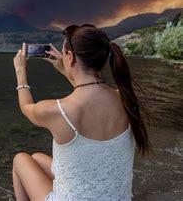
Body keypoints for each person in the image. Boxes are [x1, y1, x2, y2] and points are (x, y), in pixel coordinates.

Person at [12, 24, 149, 201]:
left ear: (69, 57)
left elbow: (26, 107)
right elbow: (90, 95)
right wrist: (67, 70)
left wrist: (20, 71)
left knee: (20, 159)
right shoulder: (126, 99)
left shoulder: (59, 110)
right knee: (37, 158)